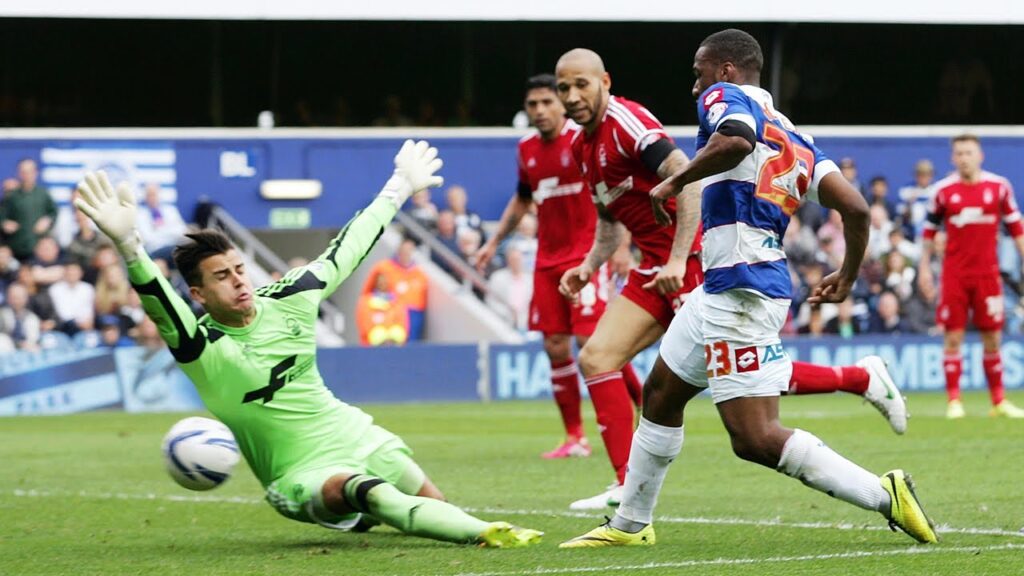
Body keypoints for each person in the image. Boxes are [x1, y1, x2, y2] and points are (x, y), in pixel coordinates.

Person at [561, 29, 935, 548]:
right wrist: (847, 275)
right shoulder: (798, 137)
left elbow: (736, 136)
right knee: (662, 394)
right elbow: (855, 207)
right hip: (725, 286)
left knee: (754, 437)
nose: (696, 86)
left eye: (699, 72)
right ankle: (630, 523)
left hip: (742, 287)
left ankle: (883, 493)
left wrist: (676, 180)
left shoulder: (725, 97)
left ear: (727, 69)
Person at [73, 143, 541, 548]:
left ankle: (368, 520)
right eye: (222, 277)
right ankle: (484, 531)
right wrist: (132, 250)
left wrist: (398, 185)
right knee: (368, 492)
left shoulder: (289, 297)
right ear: (198, 295)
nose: (239, 281)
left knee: (429, 504)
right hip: (297, 474)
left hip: (354, 433)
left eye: (238, 269)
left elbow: (349, 246)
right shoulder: (205, 351)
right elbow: (162, 310)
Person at [475, 73, 643, 461]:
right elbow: (521, 201)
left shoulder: (583, 139)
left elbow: (621, 192)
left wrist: (622, 245)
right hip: (547, 261)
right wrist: (494, 242)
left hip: (587, 258)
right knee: (553, 346)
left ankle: (645, 408)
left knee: (594, 344)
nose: (540, 111)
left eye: (547, 102)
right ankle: (575, 437)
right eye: (533, 105)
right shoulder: (527, 149)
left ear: (562, 103)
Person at [918, 134, 1024, 419]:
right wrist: (925, 268)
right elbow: (928, 233)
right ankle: (954, 401)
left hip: (988, 276)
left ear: (980, 155)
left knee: (993, 337)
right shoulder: (943, 192)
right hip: (955, 276)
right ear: (953, 159)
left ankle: (998, 402)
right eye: (960, 153)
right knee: (953, 337)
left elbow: (1017, 229)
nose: (964, 158)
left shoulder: (999, 188)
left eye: (969, 152)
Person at [362, 238, 428, 341]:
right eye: (404, 251)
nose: (406, 254)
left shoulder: (419, 273)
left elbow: (421, 295)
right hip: (390, 312)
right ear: (399, 251)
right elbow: (369, 288)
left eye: (409, 251)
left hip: (414, 314)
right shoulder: (384, 267)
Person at [0, 159, 57, 260]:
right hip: (15, 247)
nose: (27, 175)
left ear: (36, 173)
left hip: (38, 248)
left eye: (30, 171)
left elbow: (53, 212)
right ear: (18, 174)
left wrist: (47, 220)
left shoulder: (43, 194)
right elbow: (2, 214)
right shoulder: (12, 196)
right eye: (23, 172)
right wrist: (4, 223)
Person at [136, 182, 188, 259]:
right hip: (154, 250)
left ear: (159, 195)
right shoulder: (140, 215)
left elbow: (182, 231)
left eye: (154, 194)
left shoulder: (171, 210)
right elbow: (148, 239)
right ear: (145, 197)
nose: (152, 198)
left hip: (174, 246)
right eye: (149, 195)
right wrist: (168, 228)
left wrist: (159, 229)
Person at [355, 273, 410, 346]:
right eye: (380, 281)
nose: (382, 283)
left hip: (395, 345)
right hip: (372, 347)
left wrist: (392, 338)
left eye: (385, 281)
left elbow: (403, 322)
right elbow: (365, 323)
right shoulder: (365, 301)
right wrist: (381, 338)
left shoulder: (397, 301)